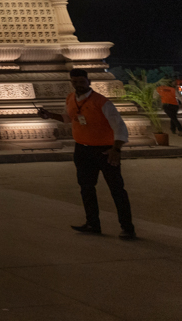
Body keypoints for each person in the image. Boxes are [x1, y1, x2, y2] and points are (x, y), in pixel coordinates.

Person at [38, 68, 135, 239]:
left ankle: (127, 228)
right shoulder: (70, 98)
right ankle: (92, 223)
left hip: (105, 150)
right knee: (86, 188)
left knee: (116, 189)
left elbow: (119, 126)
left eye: (81, 81)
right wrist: (49, 115)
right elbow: (69, 118)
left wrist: (116, 149)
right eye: (74, 82)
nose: (78, 85)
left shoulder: (102, 102)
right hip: (82, 149)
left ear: (89, 82)